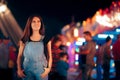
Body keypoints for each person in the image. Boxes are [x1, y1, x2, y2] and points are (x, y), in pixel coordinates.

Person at [17, 14, 52, 80]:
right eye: (34, 21)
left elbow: (50, 55)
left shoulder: (46, 39)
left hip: (41, 69)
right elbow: (19, 56)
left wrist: (48, 69)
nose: (37, 23)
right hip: (27, 69)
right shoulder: (24, 40)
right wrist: (19, 69)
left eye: (39, 21)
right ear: (29, 24)